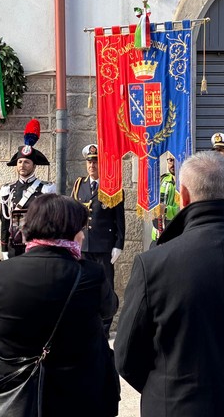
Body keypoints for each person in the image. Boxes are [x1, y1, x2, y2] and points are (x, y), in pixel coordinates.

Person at [115, 151, 224, 416]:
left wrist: (168, 389)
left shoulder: (153, 263)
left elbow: (126, 355)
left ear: (184, 197)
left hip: (177, 407)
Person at [0, 194, 120, 417]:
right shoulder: (91, 274)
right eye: (80, 229)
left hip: (15, 394)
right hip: (78, 395)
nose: (82, 236)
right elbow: (109, 309)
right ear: (70, 232)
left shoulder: (0, 273)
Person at [71, 143, 125, 336]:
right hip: (83, 245)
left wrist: (119, 244)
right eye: (89, 162)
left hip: (104, 246)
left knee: (106, 286)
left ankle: (104, 327)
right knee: (83, 285)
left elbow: (119, 219)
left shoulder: (112, 186)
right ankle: (87, 324)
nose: (92, 166)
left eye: (95, 162)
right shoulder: (79, 185)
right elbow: (74, 215)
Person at [0, 118, 57, 258]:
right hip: (15, 247)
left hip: (38, 246)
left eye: (26, 162)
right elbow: (5, 222)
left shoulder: (46, 189)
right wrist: (4, 248)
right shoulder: (8, 190)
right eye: (19, 162)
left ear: (34, 166)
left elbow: (53, 220)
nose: (22, 165)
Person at [151, 155, 179, 243]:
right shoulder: (163, 179)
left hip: (176, 238)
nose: (173, 164)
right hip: (157, 236)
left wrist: (166, 210)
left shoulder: (188, 183)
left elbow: (186, 209)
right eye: (170, 160)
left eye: (176, 160)